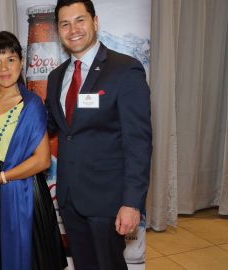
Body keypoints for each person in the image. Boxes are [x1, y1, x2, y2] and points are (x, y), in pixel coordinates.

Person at [45, 1, 152, 269]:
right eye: (64, 23)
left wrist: (132, 203)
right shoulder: (56, 77)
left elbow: (138, 142)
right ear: (58, 29)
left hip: (108, 201)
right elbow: (49, 126)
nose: (73, 30)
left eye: (80, 20)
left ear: (95, 21)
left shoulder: (125, 70)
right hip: (69, 198)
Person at [0, 31, 67, 270]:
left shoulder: (31, 104)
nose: (4, 68)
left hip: (23, 194)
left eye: (10, 59)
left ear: (21, 62)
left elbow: (42, 161)